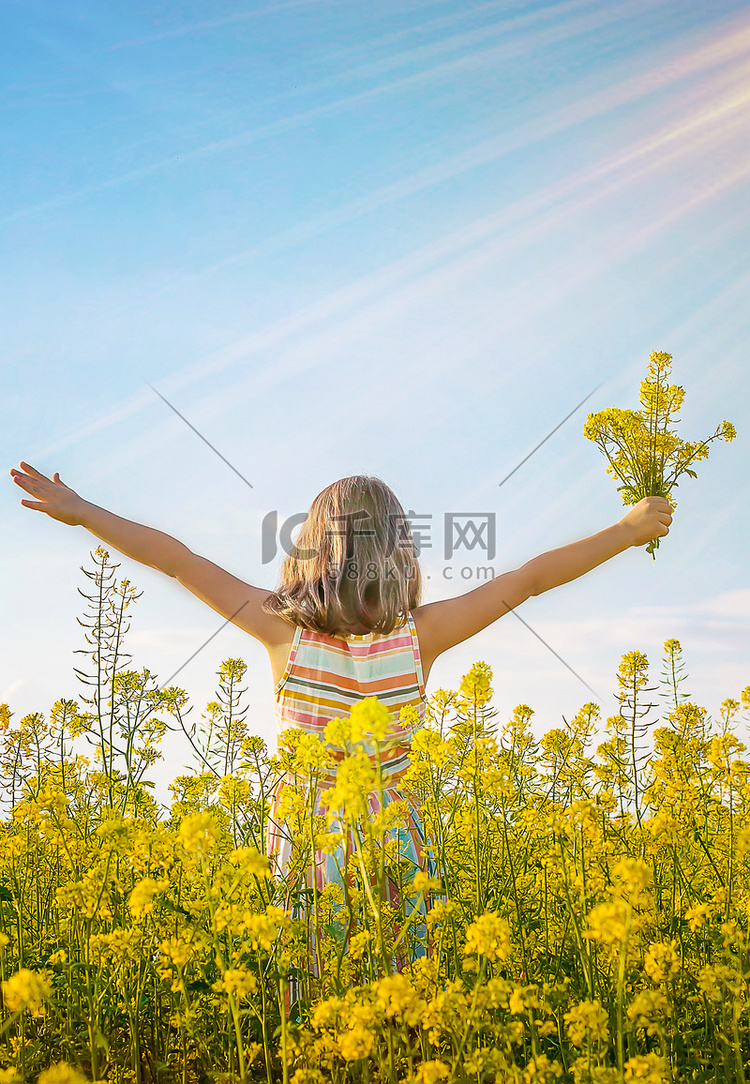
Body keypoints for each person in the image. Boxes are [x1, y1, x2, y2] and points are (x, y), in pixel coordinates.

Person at [9, 461, 672, 1003]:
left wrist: (84, 511)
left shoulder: (280, 631)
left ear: (311, 551)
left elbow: (179, 561)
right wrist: (624, 530)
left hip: (310, 847)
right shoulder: (422, 638)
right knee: (407, 1006)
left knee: (319, 1010)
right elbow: (528, 580)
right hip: (397, 847)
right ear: (397, 554)